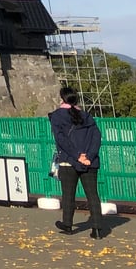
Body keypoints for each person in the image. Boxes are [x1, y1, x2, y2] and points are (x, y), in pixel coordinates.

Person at [49, 86, 106, 239]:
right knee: (93, 195)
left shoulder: (57, 116)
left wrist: (77, 156)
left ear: (62, 99)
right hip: (90, 162)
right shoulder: (87, 116)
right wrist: (89, 156)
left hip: (69, 161)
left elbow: (61, 139)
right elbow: (96, 137)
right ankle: (97, 229)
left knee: (68, 194)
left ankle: (67, 224)